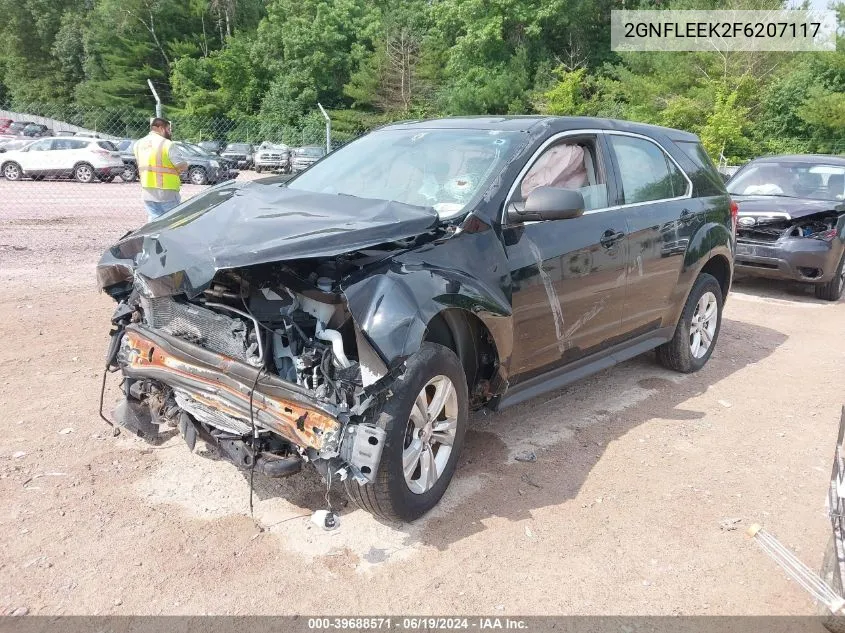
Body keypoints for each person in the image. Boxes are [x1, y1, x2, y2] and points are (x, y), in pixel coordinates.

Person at [134, 117, 188, 222]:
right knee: (173, 221)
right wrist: (186, 165)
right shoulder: (167, 144)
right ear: (162, 129)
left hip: (147, 190)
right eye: (169, 129)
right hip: (167, 191)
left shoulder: (138, 144)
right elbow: (181, 165)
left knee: (154, 221)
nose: (170, 132)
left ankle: (153, 238)